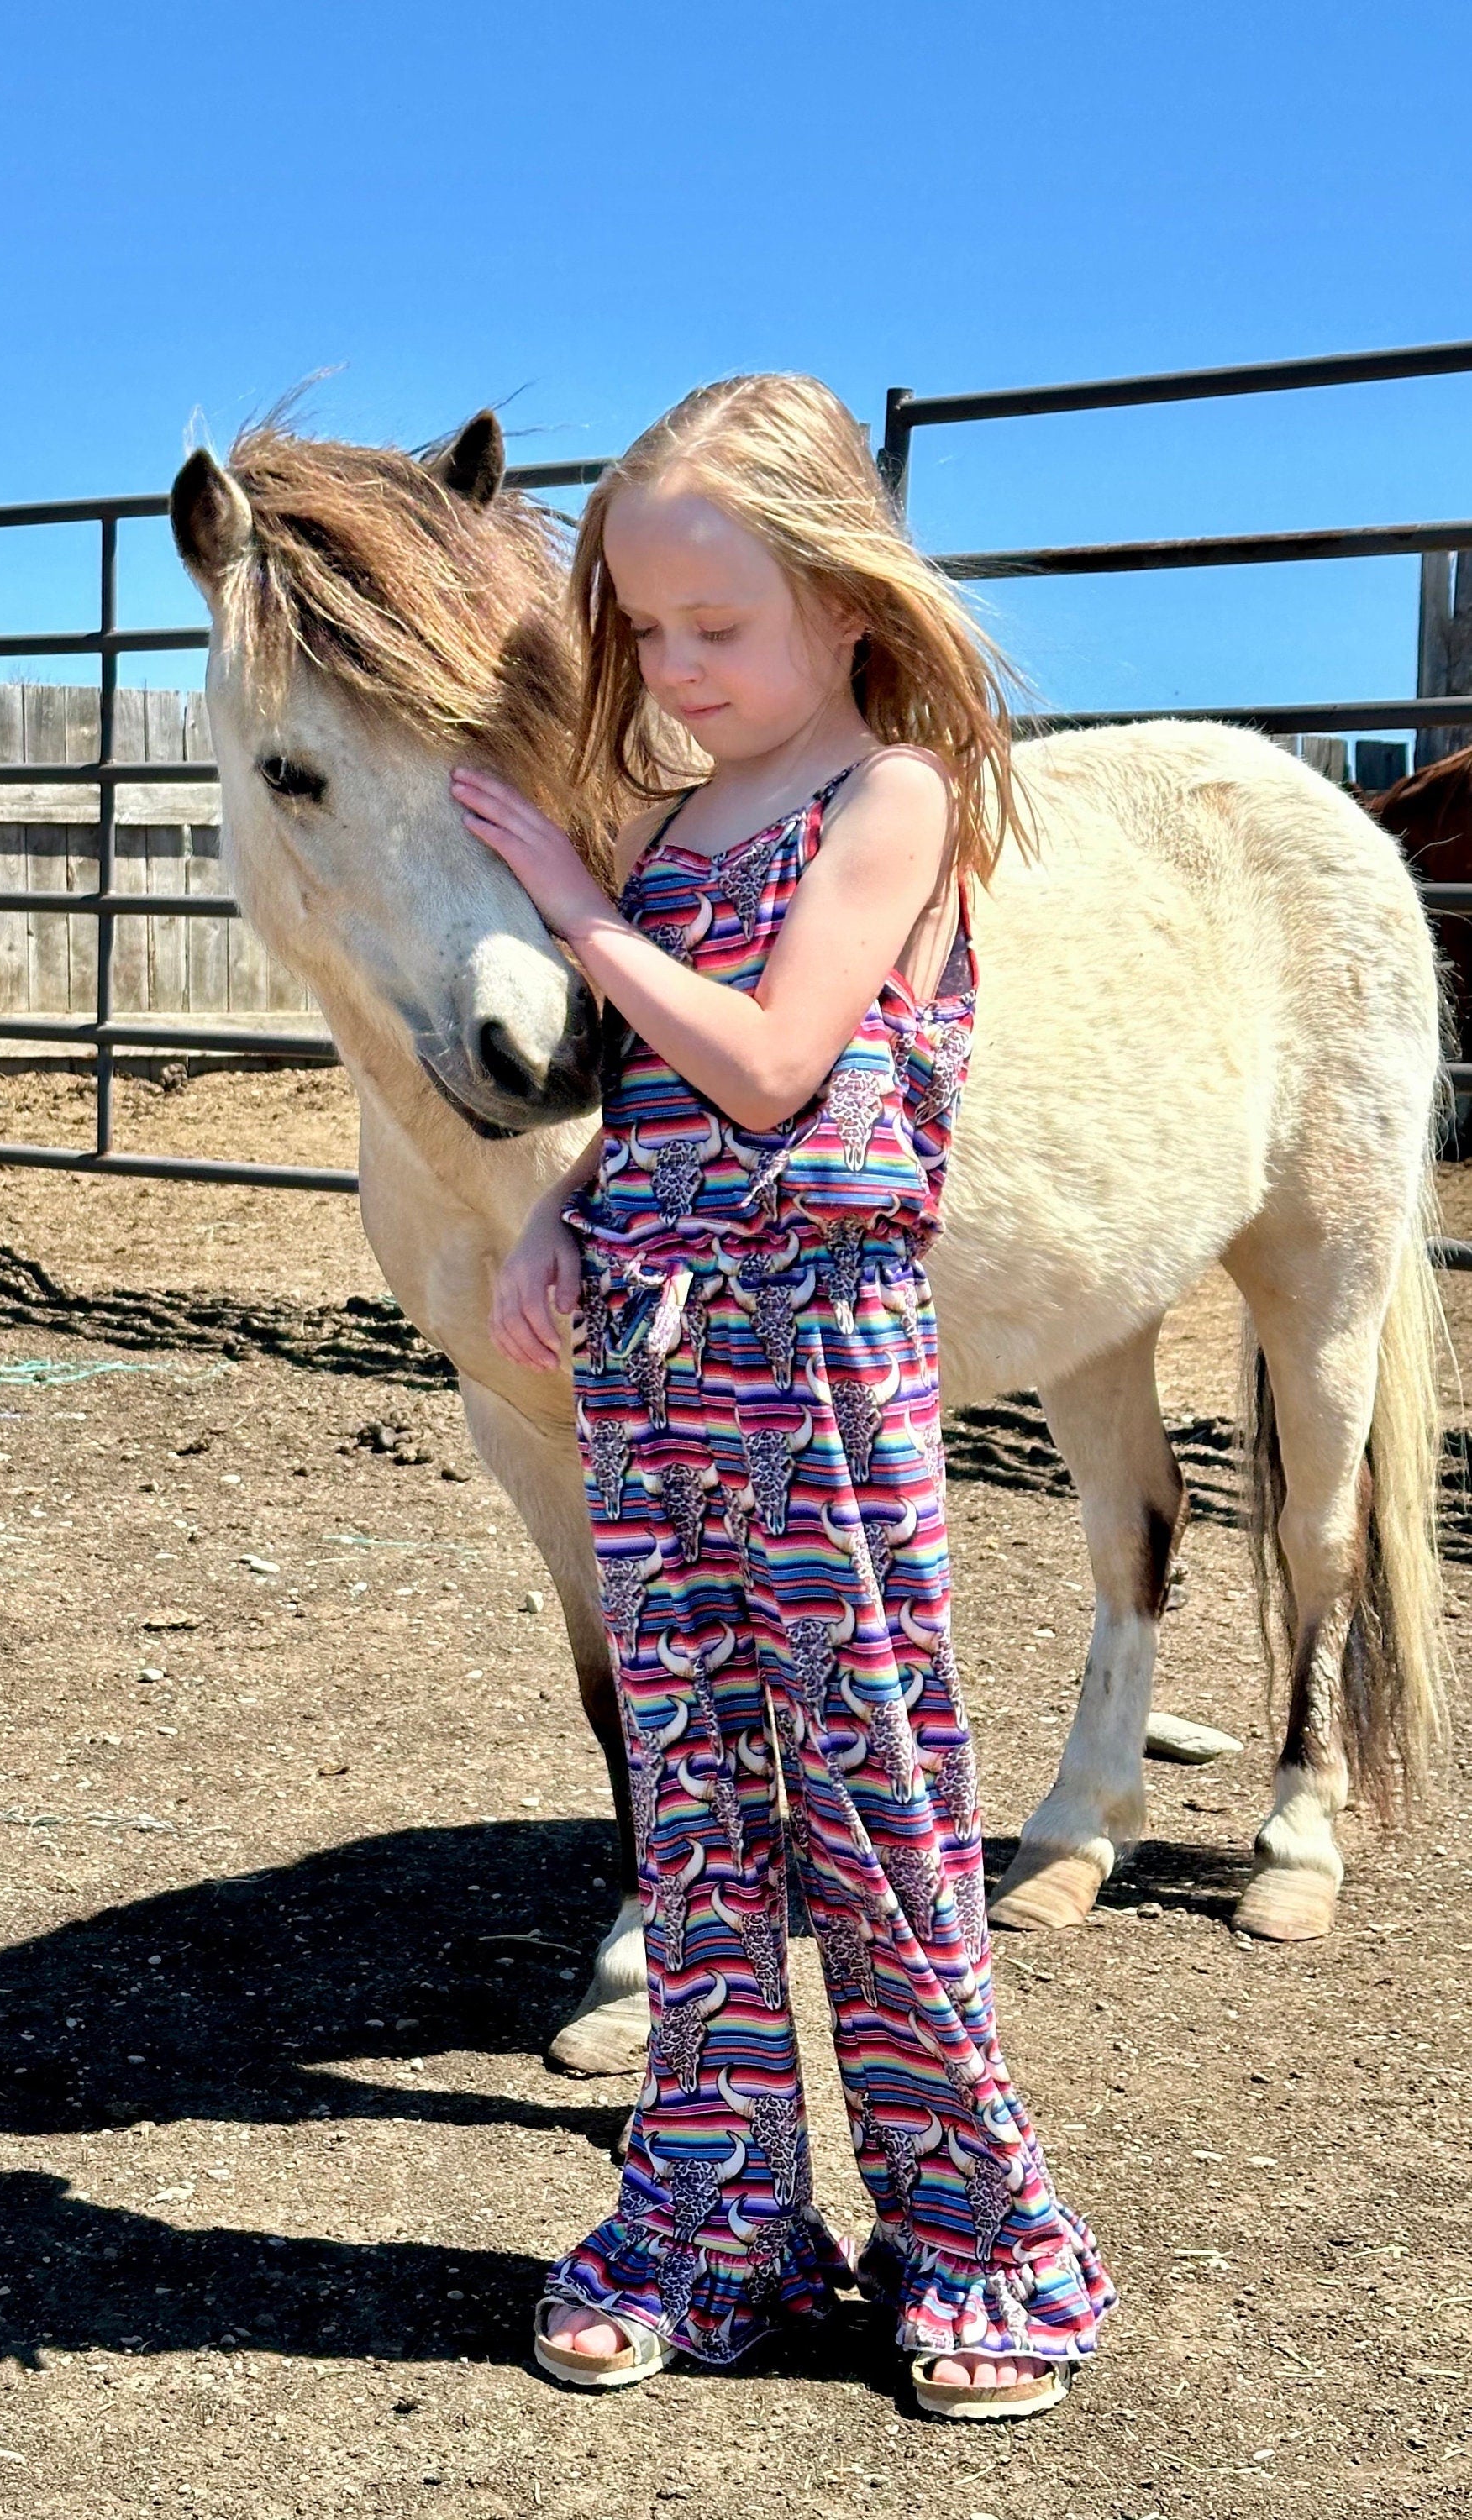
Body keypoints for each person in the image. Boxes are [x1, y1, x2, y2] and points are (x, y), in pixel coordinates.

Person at [449, 372, 1113, 2419]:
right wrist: (567, 1208)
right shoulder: (671, 821)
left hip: (816, 1373)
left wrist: (568, 908)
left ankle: (976, 2234)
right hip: (656, 1377)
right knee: (699, 1814)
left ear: (841, 599)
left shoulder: (887, 797)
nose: (675, 669)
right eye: (646, 633)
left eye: (713, 629)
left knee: (873, 1798)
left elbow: (768, 1063)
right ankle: (714, 2215)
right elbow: (658, 1102)